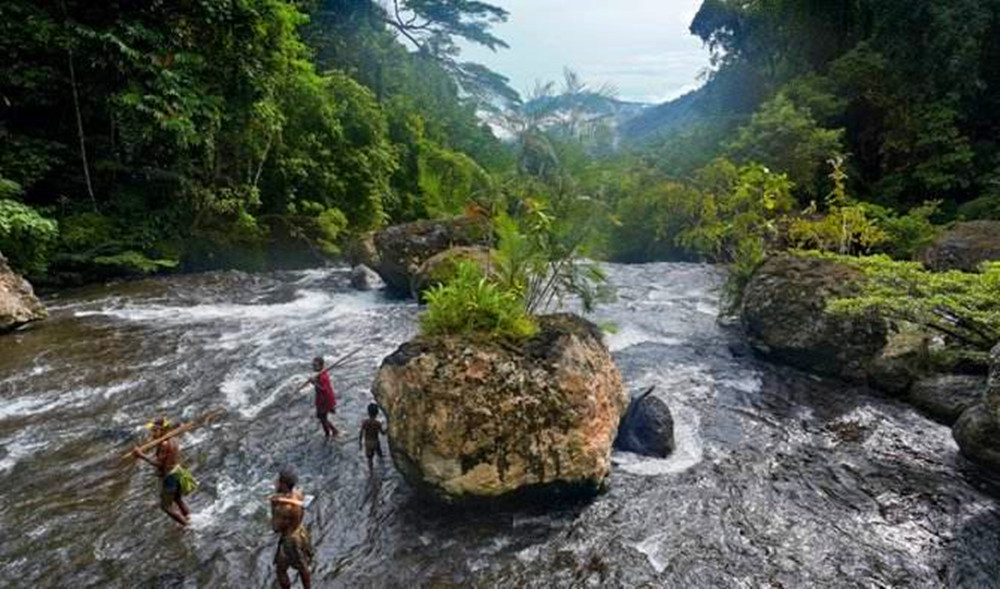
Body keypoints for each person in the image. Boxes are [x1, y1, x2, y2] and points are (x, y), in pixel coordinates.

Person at [132, 417, 195, 526]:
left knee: (165, 507)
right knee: (177, 499)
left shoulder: (164, 445)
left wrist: (141, 455)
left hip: (170, 477)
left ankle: (187, 526)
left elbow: (159, 464)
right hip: (177, 473)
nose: (152, 433)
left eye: (154, 430)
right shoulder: (173, 439)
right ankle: (189, 518)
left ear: (161, 430)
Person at [270, 468, 312, 589]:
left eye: (278, 481)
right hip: (300, 531)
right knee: (298, 565)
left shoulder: (283, 508)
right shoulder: (297, 495)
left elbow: (276, 528)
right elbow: (305, 502)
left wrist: (273, 508)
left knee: (284, 569)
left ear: (283, 484)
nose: (275, 483)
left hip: (290, 540)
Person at [309, 356, 338, 440]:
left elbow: (323, 389)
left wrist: (314, 383)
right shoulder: (320, 374)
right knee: (321, 417)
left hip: (324, 400)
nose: (313, 367)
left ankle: (331, 432)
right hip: (323, 399)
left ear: (321, 366)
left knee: (322, 417)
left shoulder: (322, 377)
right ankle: (330, 432)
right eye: (313, 365)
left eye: (315, 366)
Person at [358, 403, 386, 473]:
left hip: (368, 443)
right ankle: (383, 468)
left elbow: (361, 433)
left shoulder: (365, 422)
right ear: (377, 413)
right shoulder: (377, 423)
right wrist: (388, 429)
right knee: (380, 455)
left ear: (368, 412)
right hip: (376, 442)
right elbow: (383, 433)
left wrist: (360, 443)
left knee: (370, 461)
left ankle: (371, 473)